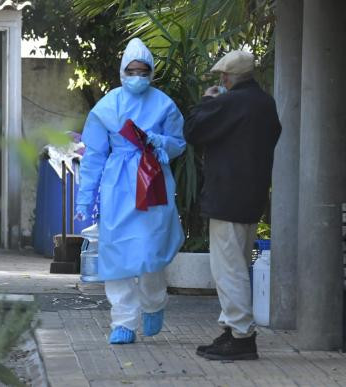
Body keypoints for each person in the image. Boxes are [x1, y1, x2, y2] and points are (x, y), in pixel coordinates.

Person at [75, 38, 186, 344]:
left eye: (143, 71)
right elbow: (94, 155)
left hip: (152, 182)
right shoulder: (106, 107)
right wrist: (85, 197)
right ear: (122, 71)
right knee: (118, 253)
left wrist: (160, 142)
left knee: (150, 251)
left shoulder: (164, 104)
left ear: (151, 73)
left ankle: (153, 303)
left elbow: (178, 142)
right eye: (132, 70)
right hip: (117, 186)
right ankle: (122, 321)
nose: (137, 76)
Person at [183, 50, 281, 360]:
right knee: (239, 261)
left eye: (222, 77)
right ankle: (230, 328)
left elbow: (192, 130)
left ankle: (241, 336)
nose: (220, 81)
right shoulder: (266, 104)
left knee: (229, 269)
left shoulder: (229, 103)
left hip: (227, 197)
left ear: (229, 77)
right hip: (252, 196)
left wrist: (208, 101)